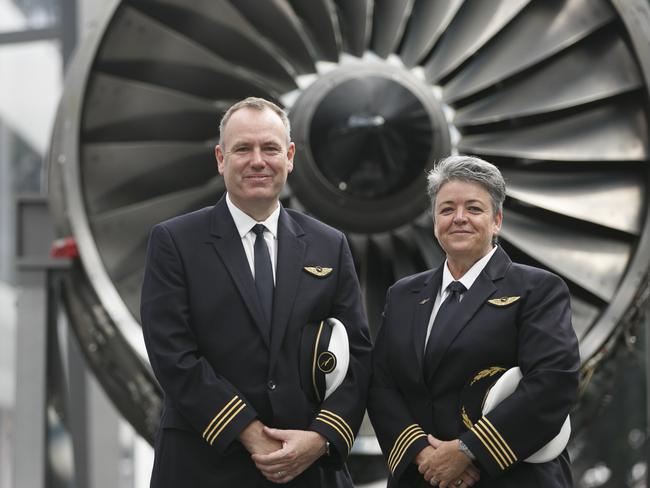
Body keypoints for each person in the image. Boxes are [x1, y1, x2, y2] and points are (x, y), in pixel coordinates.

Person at [140, 97, 372, 487]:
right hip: (205, 464)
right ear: (220, 158)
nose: (258, 161)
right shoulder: (175, 242)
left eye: (270, 148)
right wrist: (248, 431)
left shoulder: (328, 244)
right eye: (243, 149)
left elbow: (359, 354)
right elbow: (172, 354)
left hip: (308, 468)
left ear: (290, 155)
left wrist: (321, 438)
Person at [367, 155, 580, 487]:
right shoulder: (403, 296)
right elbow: (381, 386)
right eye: (447, 209)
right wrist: (424, 456)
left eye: (474, 209)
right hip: (423, 478)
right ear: (434, 220)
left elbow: (553, 383)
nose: (459, 218)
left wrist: (469, 451)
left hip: (511, 478)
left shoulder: (538, 289)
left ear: (497, 220)